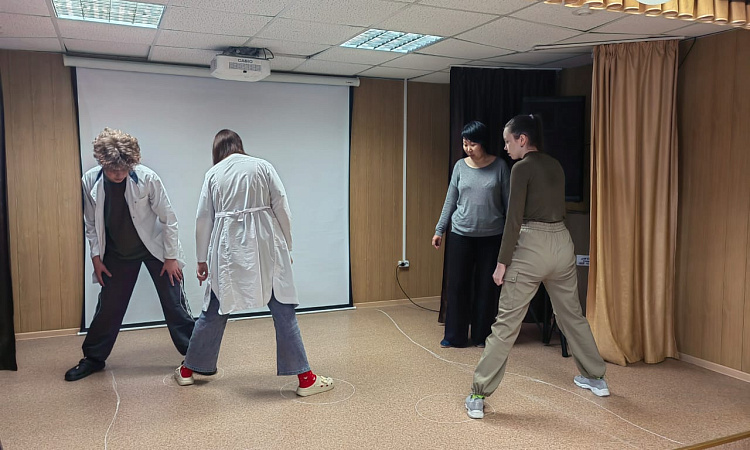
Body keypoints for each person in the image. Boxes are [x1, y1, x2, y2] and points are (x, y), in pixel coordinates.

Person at [465, 114, 609, 419]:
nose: (505, 148)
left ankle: (478, 394)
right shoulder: (555, 165)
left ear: (522, 139)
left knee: (506, 324)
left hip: (532, 246)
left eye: (508, 141)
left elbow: (514, 219)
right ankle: (596, 377)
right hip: (562, 244)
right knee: (572, 316)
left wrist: (502, 263)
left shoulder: (521, 168)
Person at [174, 129, 334, 397]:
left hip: (227, 248)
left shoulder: (213, 174)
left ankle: (188, 371)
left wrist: (201, 260)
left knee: (214, 309)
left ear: (217, 150)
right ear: (239, 145)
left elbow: (203, 219)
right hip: (266, 244)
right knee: (283, 308)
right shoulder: (262, 166)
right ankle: (305, 379)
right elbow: (281, 206)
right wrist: (287, 246)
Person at [65, 128, 195, 381]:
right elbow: (90, 223)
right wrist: (96, 259)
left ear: (131, 163)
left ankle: (195, 356)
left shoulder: (147, 178)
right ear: (103, 163)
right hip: (116, 253)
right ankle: (93, 358)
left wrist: (170, 258)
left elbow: (168, 219)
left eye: (124, 169)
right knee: (108, 307)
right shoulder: (90, 181)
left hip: (156, 250)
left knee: (174, 303)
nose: (118, 174)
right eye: (113, 169)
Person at [433, 121, 510, 348]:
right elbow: (450, 200)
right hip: (461, 234)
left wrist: (511, 237)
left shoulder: (500, 167)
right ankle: (454, 336)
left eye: (472, 144)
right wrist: (439, 229)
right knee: (458, 286)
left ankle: (481, 335)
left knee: (486, 287)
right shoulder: (460, 166)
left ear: (482, 143)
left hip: (491, 236)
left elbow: (509, 204)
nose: (468, 148)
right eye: (465, 144)